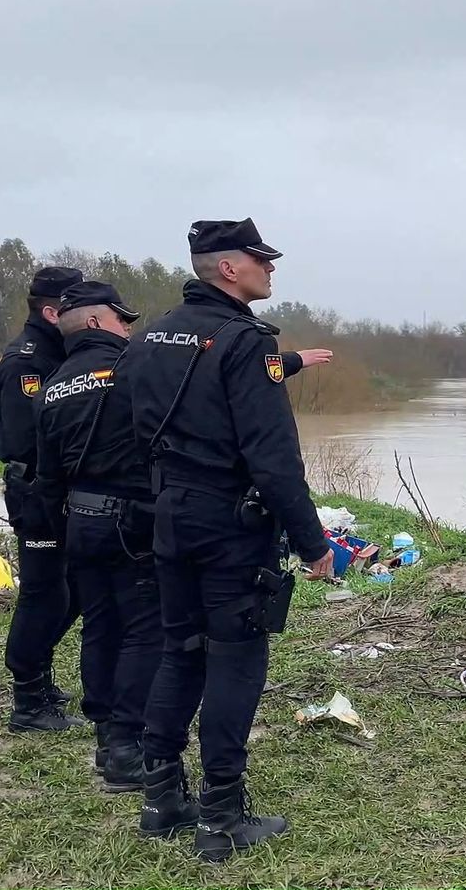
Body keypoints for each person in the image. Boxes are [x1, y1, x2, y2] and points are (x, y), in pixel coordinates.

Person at [129, 218, 334, 861]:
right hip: (228, 526)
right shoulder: (245, 342)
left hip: (170, 515)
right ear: (228, 269)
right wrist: (311, 540)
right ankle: (220, 816)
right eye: (260, 260)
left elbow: (142, 429)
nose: (270, 270)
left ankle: (161, 798)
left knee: (180, 650)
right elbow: (273, 457)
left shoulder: (150, 334)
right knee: (236, 661)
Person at [33, 280, 159, 792]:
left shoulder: (52, 387)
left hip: (79, 522)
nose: (128, 327)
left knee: (101, 627)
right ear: (93, 322)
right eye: (121, 319)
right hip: (131, 522)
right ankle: (130, 748)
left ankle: (108, 738)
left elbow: (46, 476)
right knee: (145, 631)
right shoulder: (132, 370)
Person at [0, 266, 87, 732]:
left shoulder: (56, 353)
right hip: (36, 492)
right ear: (51, 312)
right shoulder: (27, 363)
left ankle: (40, 675)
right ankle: (27, 701)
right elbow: (28, 442)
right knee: (42, 595)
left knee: (67, 591)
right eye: (75, 308)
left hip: (59, 491)